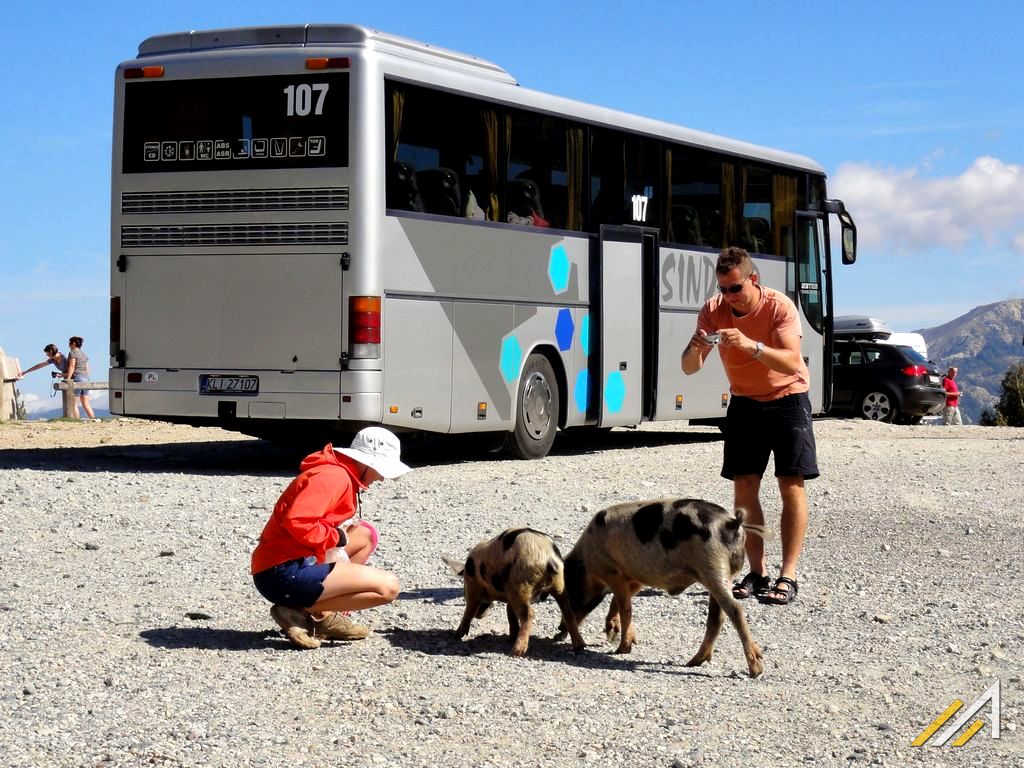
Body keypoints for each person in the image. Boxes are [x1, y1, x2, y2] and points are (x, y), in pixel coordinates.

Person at [681, 246, 818, 606]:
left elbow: (792, 362)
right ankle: (757, 572)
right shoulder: (713, 310)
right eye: (722, 289)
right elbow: (689, 368)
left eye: (734, 288)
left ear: (752, 280)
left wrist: (752, 345)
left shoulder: (779, 307)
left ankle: (788, 575)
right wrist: (695, 348)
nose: (728, 297)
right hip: (744, 402)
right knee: (744, 491)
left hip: (788, 398)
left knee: (791, 486)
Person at [251, 427, 410, 649]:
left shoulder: (338, 472)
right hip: (282, 573)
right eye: (380, 470)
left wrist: (337, 532)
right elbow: (298, 522)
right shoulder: (333, 477)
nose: (382, 478)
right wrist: (337, 536)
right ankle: (305, 612)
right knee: (388, 588)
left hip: (285, 562)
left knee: (365, 534)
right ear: (367, 462)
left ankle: (322, 612)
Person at [64, 336, 96, 420]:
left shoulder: (72, 353)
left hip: (77, 378)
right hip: (86, 378)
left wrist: (67, 379)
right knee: (86, 403)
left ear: (74, 343)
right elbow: (87, 368)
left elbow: (72, 366)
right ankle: (93, 419)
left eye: (70, 343)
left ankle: (77, 420)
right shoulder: (84, 354)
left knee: (73, 403)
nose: (69, 345)